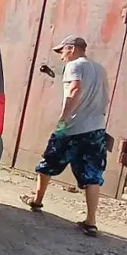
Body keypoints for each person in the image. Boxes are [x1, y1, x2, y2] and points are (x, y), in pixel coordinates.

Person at [20, 35, 110, 237]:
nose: (61, 57)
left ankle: (37, 199)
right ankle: (91, 221)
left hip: (72, 128)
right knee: (93, 173)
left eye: (62, 51)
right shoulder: (100, 69)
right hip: (95, 129)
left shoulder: (74, 66)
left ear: (71, 48)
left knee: (48, 161)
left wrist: (63, 120)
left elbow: (74, 90)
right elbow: (105, 97)